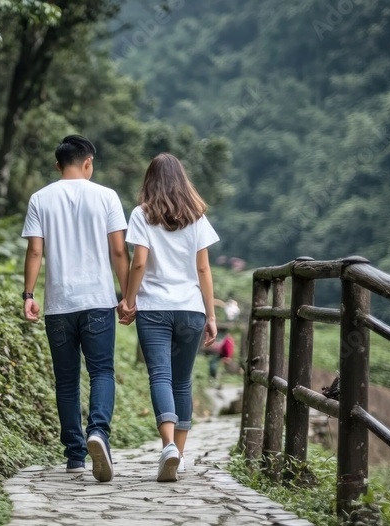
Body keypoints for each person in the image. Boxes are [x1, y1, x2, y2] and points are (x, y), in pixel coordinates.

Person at [21, 135, 129, 482]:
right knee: (102, 372)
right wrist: (128, 295)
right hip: (98, 301)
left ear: (58, 165)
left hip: (59, 305)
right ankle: (98, 432)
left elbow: (35, 251)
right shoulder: (107, 196)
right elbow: (118, 252)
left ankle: (74, 455)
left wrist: (28, 294)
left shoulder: (40, 198)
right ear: (88, 162)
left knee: (66, 381)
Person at [117, 152, 219, 482]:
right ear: (182, 180)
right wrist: (211, 314)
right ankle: (181, 454)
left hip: (154, 309)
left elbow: (139, 262)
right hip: (191, 308)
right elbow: (203, 269)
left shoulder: (141, 214)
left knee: (160, 375)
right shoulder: (196, 216)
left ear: (150, 180)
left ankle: (168, 447)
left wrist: (128, 300)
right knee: (183, 381)